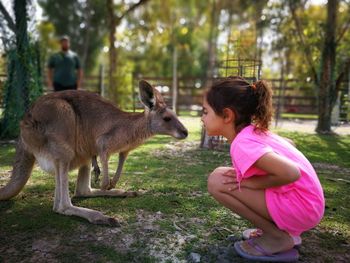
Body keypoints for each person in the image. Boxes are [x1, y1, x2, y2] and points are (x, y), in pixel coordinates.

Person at [203, 76, 324, 262]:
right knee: (222, 175)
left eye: (205, 112)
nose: (202, 118)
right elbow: (291, 144)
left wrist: (252, 183)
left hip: (303, 208)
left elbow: (291, 172)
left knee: (217, 182)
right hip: (308, 205)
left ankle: (277, 237)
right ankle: (285, 230)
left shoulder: (242, 144)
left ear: (227, 115)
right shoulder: (254, 132)